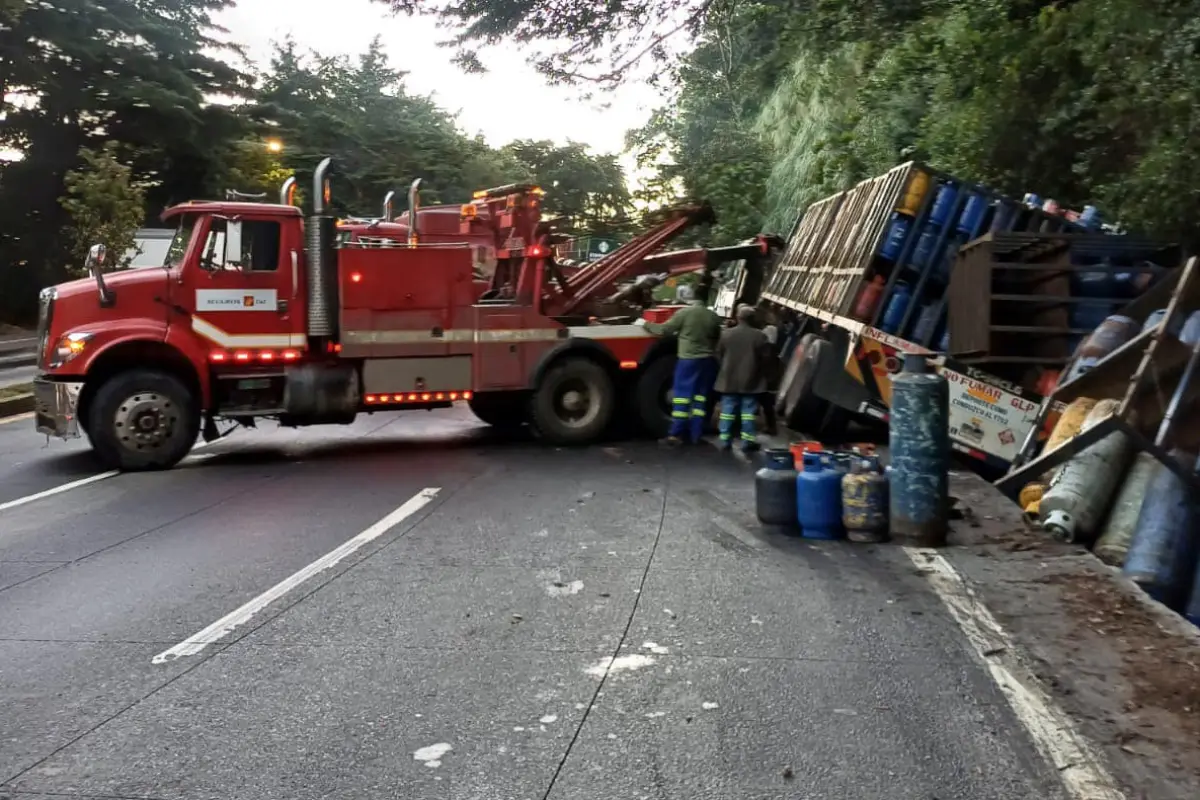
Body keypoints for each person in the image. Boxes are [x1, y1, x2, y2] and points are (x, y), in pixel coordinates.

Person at [640, 285, 723, 446]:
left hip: (688, 361)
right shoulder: (712, 316)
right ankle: (696, 435)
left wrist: (645, 324)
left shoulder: (685, 313)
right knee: (700, 399)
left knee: (681, 398)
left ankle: (675, 435)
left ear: (691, 297)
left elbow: (664, 330)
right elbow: (716, 337)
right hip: (706, 362)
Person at [715, 304, 773, 453]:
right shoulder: (760, 336)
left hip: (728, 379)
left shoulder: (726, 334)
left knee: (727, 410)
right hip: (751, 380)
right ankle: (748, 441)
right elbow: (766, 360)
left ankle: (724, 440)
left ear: (738, 318)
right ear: (753, 319)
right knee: (748, 412)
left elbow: (719, 355)